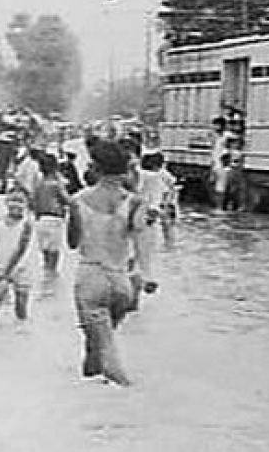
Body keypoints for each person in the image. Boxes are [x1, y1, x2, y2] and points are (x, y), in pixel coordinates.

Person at [67, 139, 157, 385]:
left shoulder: (77, 200)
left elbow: (73, 243)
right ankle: (96, 404)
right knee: (98, 343)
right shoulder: (135, 202)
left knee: (106, 349)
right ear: (125, 170)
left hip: (91, 278)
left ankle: (132, 398)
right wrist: (147, 276)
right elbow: (142, 243)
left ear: (94, 168)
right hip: (121, 282)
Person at [0, 186, 35, 321]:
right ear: (6, 202)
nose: (16, 204)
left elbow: (20, 250)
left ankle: (20, 333)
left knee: (21, 308)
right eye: (12, 200)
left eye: (20, 201)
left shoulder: (27, 224)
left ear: (27, 204)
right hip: (0, 268)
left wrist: (6, 271)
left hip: (21, 269)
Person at [33, 154, 71, 273]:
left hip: (40, 220)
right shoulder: (56, 185)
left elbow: (33, 203)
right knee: (54, 254)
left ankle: (47, 277)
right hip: (55, 220)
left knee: (45, 254)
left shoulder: (38, 184)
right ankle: (51, 280)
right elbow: (67, 200)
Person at [138, 150, 178, 249]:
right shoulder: (163, 173)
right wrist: (170, 200)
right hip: (163, 203)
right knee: (167, 226)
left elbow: (139, 189)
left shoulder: (142, 174)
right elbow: (172, 186)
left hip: (149, 205)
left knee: (147, 227)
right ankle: (169, 245)